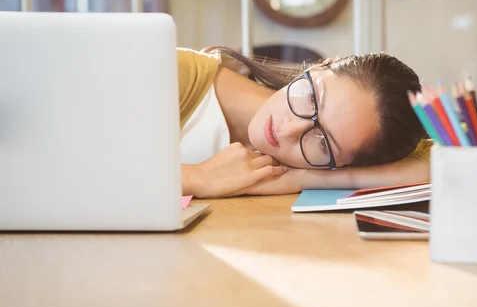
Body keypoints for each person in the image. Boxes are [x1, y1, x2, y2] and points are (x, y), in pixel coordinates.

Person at [179, 46, 432, 198]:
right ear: (320, 66)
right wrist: (197, 177)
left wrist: (303, 179)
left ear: (338, 166)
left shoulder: (300, 166)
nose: (289, 130)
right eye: (311, 98)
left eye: (323, 144)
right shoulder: (177, 74)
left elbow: (432, 166)